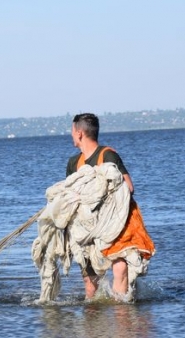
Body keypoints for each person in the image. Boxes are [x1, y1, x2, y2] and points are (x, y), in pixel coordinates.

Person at [66, 113, 154, 300]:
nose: (71, 135)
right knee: (90, 283)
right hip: (89, 227)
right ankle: (93, 323)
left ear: (79, 133)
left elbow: (129, 187)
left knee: (120, 267)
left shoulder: (108, 155)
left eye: (72, 131)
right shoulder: (73, 163)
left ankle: (123, 318)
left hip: (116, 223)